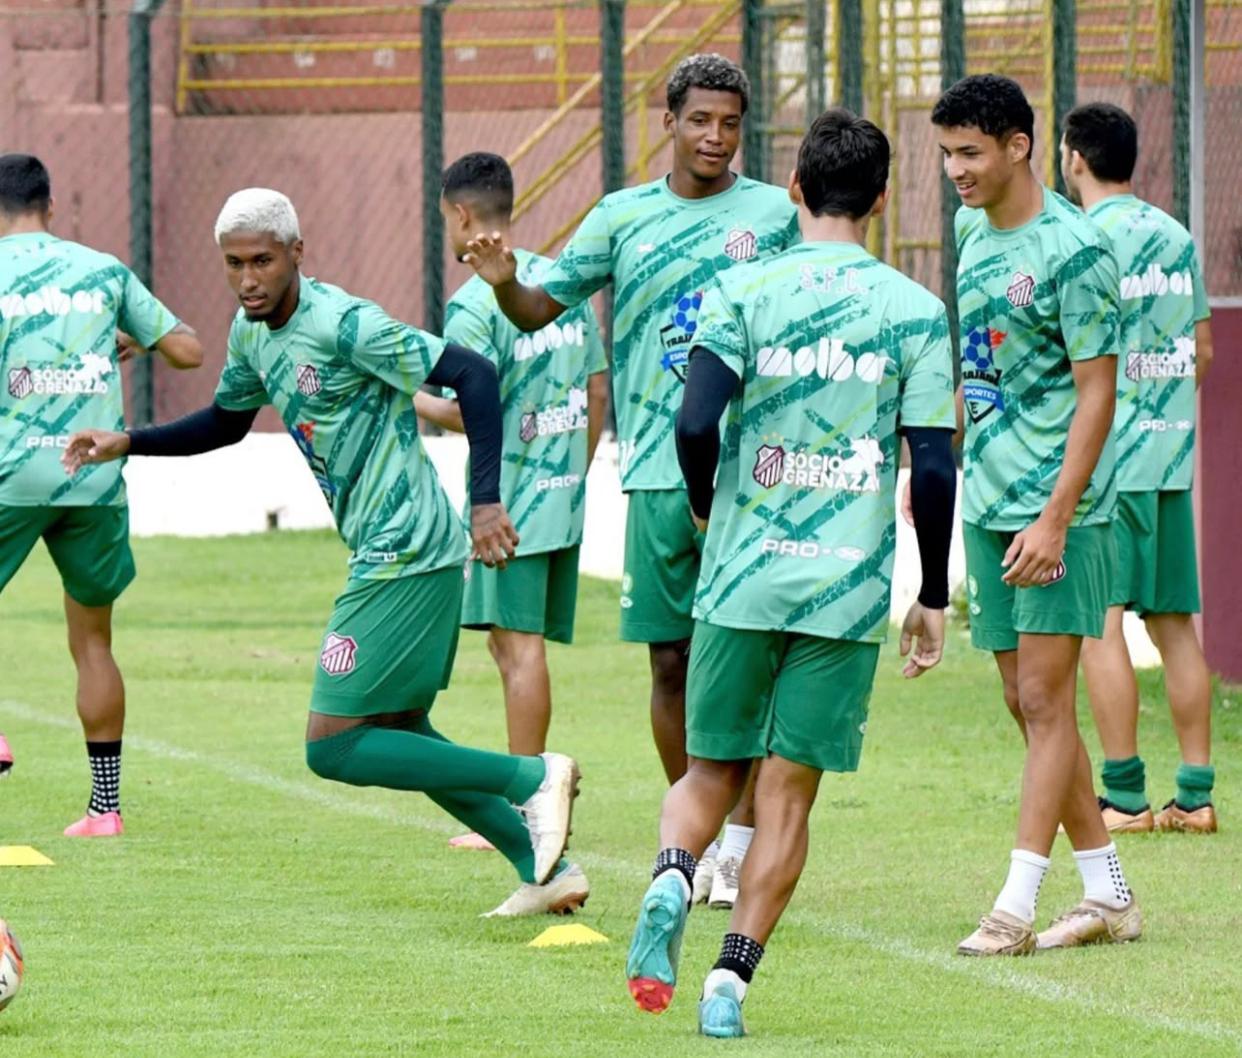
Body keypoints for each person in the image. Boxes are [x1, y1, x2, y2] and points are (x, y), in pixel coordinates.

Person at [62, 188, 582, 915]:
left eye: (263, 261)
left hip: (406, 548)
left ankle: (531, 777)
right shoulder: (251, 336)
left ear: (296, 255)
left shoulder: (342, 323)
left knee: (332, 745)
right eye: (235, 264)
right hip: (385, 547)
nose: (248, 278)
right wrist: (130, 442)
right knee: (399, 730)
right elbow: (226, 422)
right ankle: (543, 867)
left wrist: (486, 501)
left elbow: (475, 374)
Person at [623, 109, 957, 1037]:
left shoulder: (743, 290)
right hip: (843, 589)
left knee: (707, 773)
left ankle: (669, 878)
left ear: (798, 192)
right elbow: (932, 466)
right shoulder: (914, 310)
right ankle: (729, 985)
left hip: (740, 575)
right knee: (788, 793)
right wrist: (930, 593)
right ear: (882, 202)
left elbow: (694, 426)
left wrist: (702, 501)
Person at [463, 53, 800, 908]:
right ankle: (710, 831)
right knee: (672, 661)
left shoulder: (773, 215)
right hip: (656, 471)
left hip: (754, 473)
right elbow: (542, 305)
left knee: (750, 663)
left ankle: (747, 842)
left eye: (730, 121)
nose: (716, 137)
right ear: (670, 122)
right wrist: (507, 287)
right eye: (700, 120)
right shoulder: (621, 217)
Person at [932, 75, 1141, 954]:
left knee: (1048, 700)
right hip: (988, 502)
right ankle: (1109, 894)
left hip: (1061, 510)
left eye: (970, 153)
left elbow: (1099, 394)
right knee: (1026, 701)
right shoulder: (968, 231)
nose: (955, 172)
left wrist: (1056, 517)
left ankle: (1015, 906)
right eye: (946, 155)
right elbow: (976, 367)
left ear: (1020, 146)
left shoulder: (1077, 251)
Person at [0, 152, 204, 834]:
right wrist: (134, 342)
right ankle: (105, 808)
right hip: (94, 476)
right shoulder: (101, 269)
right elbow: (189, 350)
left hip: (13, 473)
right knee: (92, 641)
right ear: (50, 207)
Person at [415, 154, 607, 874]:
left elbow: (474, 409)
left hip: (509, 504)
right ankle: (530, 788)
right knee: (513, 644)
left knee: (517, 647)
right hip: (561, 491)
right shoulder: (559, 285)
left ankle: (530, 796)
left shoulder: (473, 304)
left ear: (460, 215)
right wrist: (575, 474)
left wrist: (411, 399)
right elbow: (596, 389)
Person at [1062, 102, 1217, 835]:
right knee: (1176, 628)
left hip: (1108, 464)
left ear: (1073, 159)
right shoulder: (1177, 235)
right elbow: (1204, 352)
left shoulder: (1079, 240)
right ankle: (1197, 794)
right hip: (1170, 458)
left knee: (1101, 625)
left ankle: (1123, 796)